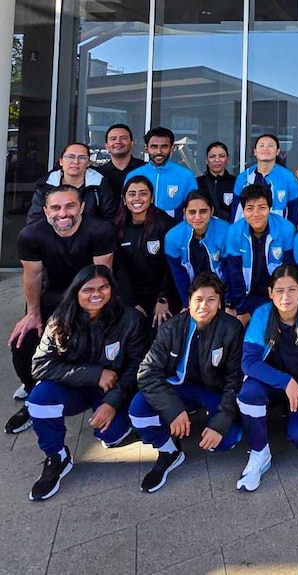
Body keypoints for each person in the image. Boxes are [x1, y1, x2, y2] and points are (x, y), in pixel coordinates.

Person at [26, 265, 147, 500]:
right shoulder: (60, 319)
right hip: (75, 388)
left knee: (111, 437)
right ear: (76, 292)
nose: (97, 294)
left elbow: (136, 367)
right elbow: (40, 365)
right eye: (88, 289)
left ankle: (118, 420)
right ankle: (57, 457)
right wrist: (95, 374)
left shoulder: (130, 318)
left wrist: (111, 402)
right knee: (39, 399)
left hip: (114, 389)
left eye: (104, 287)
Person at [6, 185, 116, 434]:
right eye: (55, 207)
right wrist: (32, 314)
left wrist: (91, 315)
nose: (62, 213)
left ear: (82, 208)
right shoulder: (31, 235)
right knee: (23, 341)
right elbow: (32, 276)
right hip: (51, 298)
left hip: (90, 296)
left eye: (70, 206)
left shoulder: (100, 230)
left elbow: (102, 277)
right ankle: (33, 390)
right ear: (45, 211)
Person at [130, 272, 244, 493]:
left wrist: (220, 422)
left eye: (212, 300)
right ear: (189, 300)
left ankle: (209, 421)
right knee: (137, 411)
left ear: (220, 302)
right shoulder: (171, 327)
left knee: (226, 441)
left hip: (212, 390)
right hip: (177, 387)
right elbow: (147, 372)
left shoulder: (232, 328)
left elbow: (235, 380)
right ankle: (169, 451)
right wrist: (172, 410)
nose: (204, 306)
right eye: (199, 300)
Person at [235, 264, 298, 491]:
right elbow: (249, 362)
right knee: (248, 393)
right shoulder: (262, 315)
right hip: (273, 383)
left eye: (292, 289)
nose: (286, 296)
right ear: (270, 293)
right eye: (279, 290)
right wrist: (286, 382)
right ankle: (260, 453)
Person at [224, 183, 296, 323]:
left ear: (270, 208)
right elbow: (234, 273)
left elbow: (290, 270)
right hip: (247, 296)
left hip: (277, 296)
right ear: (243, 210)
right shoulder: (235, 231)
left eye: (262, 208)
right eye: (249, 208)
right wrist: (241, 310)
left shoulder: (286, 229)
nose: (256, 214)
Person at [113, 175, 178, 330]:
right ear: (124, 199)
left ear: (152, 198)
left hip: (162, 296)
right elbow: (119, 267)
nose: (137, 198)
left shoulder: (165, 224)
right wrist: (132, 303)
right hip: (133, 296)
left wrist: (163, 298)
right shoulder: (118, 227)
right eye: (132, 194)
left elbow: (170, 266)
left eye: (143, 193)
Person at [164, 192, 231, 309]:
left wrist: (229, 303)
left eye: (203, 211)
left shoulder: (227, 232)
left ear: (212, 211)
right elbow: (179, 274)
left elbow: (229, 271)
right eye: (192, 212)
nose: (197, 217)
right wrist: (187, 304)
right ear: (184, 213)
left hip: (222, 291)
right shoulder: (173, 237)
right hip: (192, 292)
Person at [27, 142, 117, 225]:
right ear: (61, 161)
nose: (75, 162)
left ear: (88, 163)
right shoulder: (46, 186)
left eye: (82, 158)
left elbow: (109, 219)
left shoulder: (100, 185)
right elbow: (35, 220)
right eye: (70, 157)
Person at [125, 127, 198, 220]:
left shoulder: (186, 175)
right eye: (154, 146)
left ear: (172, 148)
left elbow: (193, 208)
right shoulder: (133, 175)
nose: (159, 151)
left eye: (164, 146)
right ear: (146, 149)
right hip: (141, 230)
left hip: (173, 230)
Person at [233, 134, 298, 225]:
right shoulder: (244, 177)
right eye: (261, 146)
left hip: (279, 234)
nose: (265, 149)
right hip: (247, 232)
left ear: (277, 151)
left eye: (270, 146)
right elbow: (236, 210)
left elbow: (294, 210)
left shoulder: (288, 177)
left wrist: (290, 232)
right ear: (255, 151)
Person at [95, 123, 146, 200]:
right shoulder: (99, 174)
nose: (118, 142)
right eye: (113, 138)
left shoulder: (145, 169)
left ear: (132, 143)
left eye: (123, 138)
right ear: (106, 146)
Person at [196, 141, 236, 221]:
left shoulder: (236, 182)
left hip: (228, 229)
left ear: (227, 159)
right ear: (206, 160)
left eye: (222, 156)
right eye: (212, 156)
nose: (217, 160)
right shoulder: (197, 183)